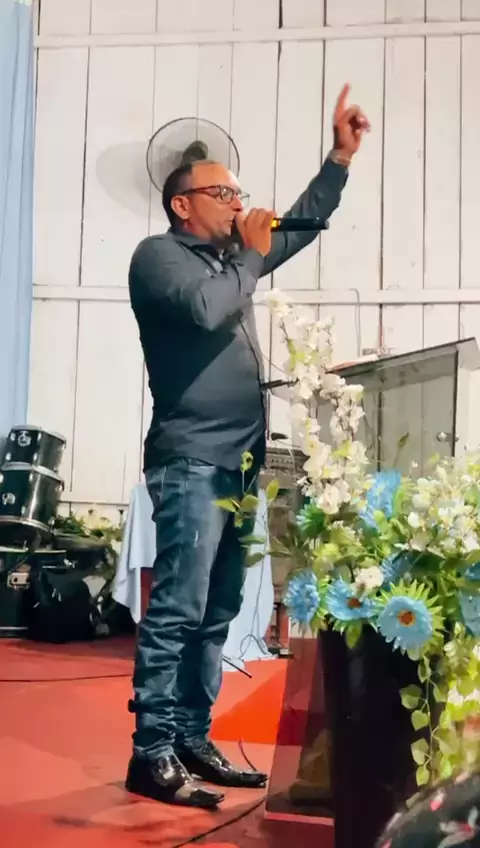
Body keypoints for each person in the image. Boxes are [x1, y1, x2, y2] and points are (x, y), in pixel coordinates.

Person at [126, 83, 370, 809]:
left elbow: (299, 227)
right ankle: (150, 752)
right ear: (183, 204)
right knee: (178, 608)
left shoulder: (235, 258)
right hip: (191, 459)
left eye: (240, 192)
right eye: (223, 192)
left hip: (238, 463)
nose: (239, 202)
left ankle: (192, 739)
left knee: (217, 611)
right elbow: (208, 311)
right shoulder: (158, 258)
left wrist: (338, 161)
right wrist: (250, 255)